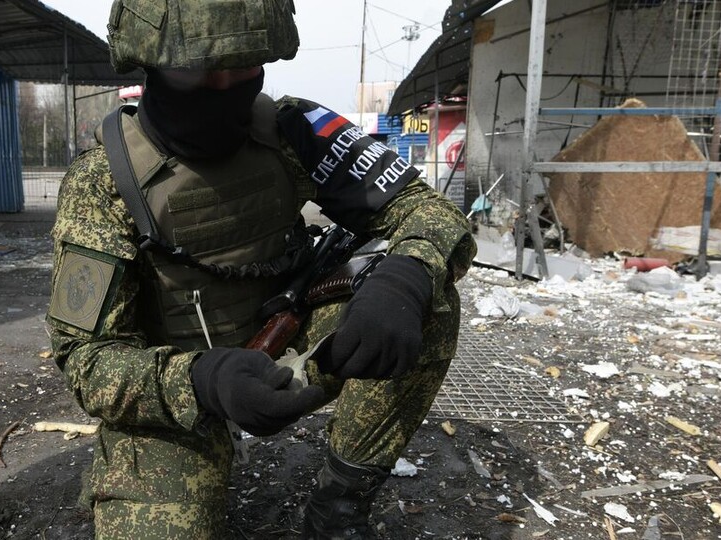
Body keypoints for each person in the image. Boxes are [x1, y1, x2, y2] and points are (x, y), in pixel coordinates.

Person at [46, 1, 476, 538]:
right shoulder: (102, 182)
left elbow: (426, 209)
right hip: (177, 391)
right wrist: (204, 381)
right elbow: (87, 360)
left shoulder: (294, 129)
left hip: (288, 343)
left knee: (427, 299)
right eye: (199, 69)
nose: (224, 86)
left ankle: (338, 506)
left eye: (243, 65)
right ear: (151, 64)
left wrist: (403, 278)